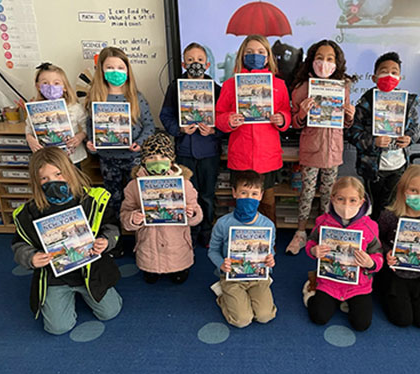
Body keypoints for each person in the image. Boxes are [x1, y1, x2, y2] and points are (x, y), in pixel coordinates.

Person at [11, 147, 122, 335]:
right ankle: (64, 297)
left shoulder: (91, 200)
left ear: (69, 171)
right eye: (44, 178)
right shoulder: (29, 212)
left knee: (110, 312)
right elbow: (19, 244)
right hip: (56, 277)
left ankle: (89, 293)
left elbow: (111, 227)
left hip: (90, 270)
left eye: (58, 174)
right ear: (36, 182)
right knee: (58, 327)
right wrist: (30, 258)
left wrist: (105, 241)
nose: (52, 181)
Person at [286, 39, 356, 255]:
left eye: (329, 59)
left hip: (333, 150)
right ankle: (300, 232)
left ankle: (323, 232)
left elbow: (343, 123)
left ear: (337, 62)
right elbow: (293, 122)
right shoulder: (302, 87)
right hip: (311, 149)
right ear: (311, 60)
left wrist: (349, 117)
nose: (324, 63)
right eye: (319, 58)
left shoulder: (342, 86)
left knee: (328, 194)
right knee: (306, 192)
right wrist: (301, 114)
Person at [215, 35, 292, 224]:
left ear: (267, 58)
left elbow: (286, 113)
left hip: (268, 156)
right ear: (242, 56)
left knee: (267, 202)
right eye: (249, 52)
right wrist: (229, 120)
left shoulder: (278, 85)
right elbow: (218, 116)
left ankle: (268, 244)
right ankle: (240, 244)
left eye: (260, 52)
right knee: (242, 202)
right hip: (241, 155)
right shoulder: (230, 85)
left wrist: (281, 118)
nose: (254, 56)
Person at [160, 42, 222, 246]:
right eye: (190, 60)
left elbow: (225, 118)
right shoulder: (174, 87)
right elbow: (165, 115)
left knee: (207, 193)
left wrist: (214, 130)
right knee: (187, 193)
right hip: (184, 149)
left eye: (200, 60)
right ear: (183, 63)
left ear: (208, 64)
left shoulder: (216, 89)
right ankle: (191, 230)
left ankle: (206, 229)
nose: (195, 63)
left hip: (209, 151)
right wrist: (179, 128)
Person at [120, 133, 203, 284]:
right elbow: (125, 213)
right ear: (143, 160)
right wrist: (133, 218)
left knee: (178, 272)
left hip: (177, 243)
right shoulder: (133, 186)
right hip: (148, 243)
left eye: (163, 157)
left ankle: (180, 268)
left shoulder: (184, 184)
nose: (157, 162)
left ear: (171, 160)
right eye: (151, 158)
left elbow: (197, 211)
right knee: (150, 272)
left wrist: (192, 212)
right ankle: (152, 268)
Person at [303, 177, 383, 331]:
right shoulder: (323, 222)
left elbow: (378, 254)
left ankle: (345, 301)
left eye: (352, 200)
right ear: (332, 199)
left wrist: (370, 263)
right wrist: (313, 250)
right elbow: (311, 242)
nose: (346, 205)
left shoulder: (370, 226)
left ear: (361, 202)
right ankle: (311, 288)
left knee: (362, 324)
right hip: (329, 282)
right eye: (341, 199)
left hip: (358, 284)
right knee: (318, 317)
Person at [347, 52, 420, 220]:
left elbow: (416, 129)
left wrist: (409, 138)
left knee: (392, 206)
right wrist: (374, 141)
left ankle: (386, 237)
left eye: (394, 72)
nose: (389, 75)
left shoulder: (406, 103)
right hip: (373, 167)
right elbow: (353, 133)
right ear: (374, 77)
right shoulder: (365, 103)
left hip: (398, 165)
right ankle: (373, 238)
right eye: (384, 71)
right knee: (373, 206)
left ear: (400, 78)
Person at [85, 46, 155, 214]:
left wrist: (140, 143)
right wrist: (92, 144)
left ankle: (136, 232)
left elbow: (149, 125)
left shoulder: (136, 97)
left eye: (120, 68)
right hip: (108, 160)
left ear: (127, 71)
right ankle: (117, 233)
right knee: (113, 198)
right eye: (109, 67)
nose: (115, 72)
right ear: (101, 71)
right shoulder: (95, 98)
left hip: (133, 158)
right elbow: (90, 126)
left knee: (137, 198)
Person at [208, 170, 277, 328]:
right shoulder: (223, 223)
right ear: (234, 193)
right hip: (231, 277)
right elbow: (212, 250)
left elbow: (270, 250)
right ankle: (222, 296)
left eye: (254, 194)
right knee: (242, 320)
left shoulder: (268, 225)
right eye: (243, 193)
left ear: (261, 195)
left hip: (257, 277)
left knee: (265, 315)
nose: (249, 198)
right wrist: (221, 265)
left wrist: (270, 258)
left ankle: (244, 297)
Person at [376, 165, 420, 329]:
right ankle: (384, 292)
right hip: (395, 274)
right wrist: (386, 252)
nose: (419, 196)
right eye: (413, 190)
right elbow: (376, 239)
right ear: (402, 190)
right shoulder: (389, 216)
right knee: (402, 319)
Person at [25, 62, 88, 166]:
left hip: (72, 158)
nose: (51, 86)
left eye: (56, 83)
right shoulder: (34, 109)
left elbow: (86, 126)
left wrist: (80, 136)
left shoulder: (74, 107)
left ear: (65, 87)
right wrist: (29, 139)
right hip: (47, 159)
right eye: (45, 83)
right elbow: (29, 128)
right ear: (38, 86)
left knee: (74, 181)